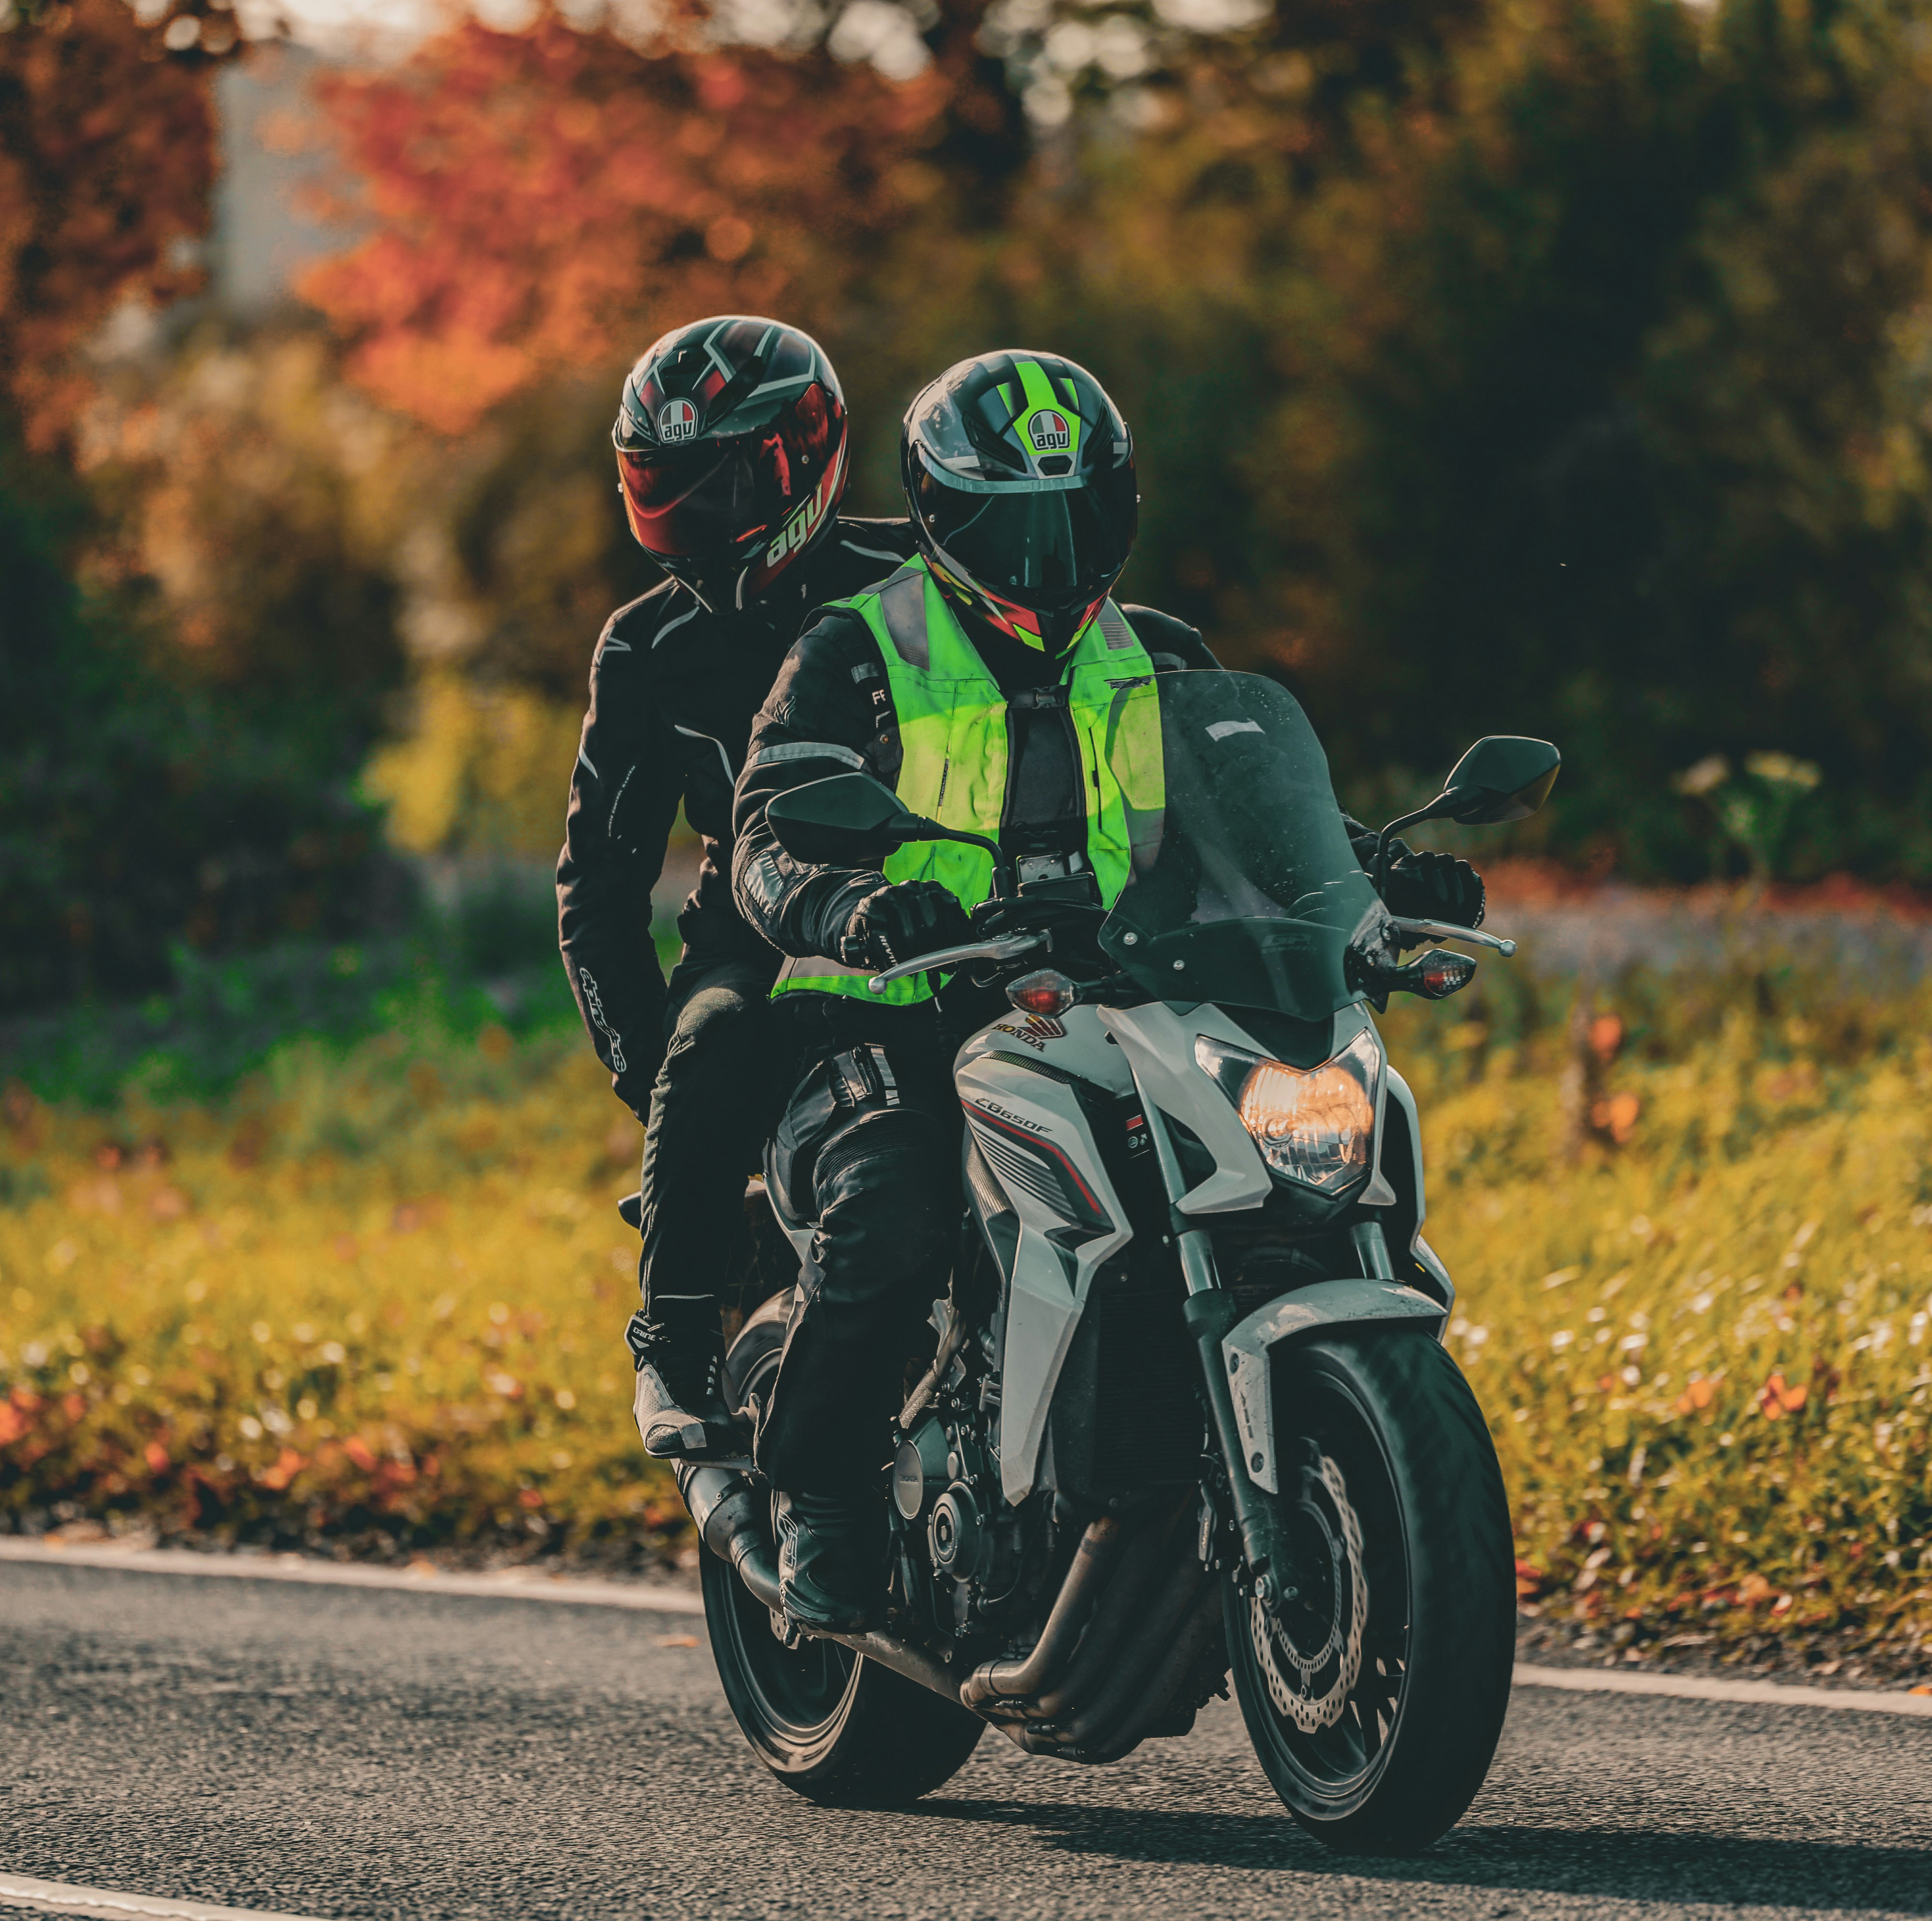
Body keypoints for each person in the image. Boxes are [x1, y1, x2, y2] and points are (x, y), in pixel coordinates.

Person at [728, 349, 1485, 1628]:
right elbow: (765, 837)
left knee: (1284, 1154)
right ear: (941, 514)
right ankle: (822, 1494)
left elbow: (1251, 816)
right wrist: (848, 906)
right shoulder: (857, 647)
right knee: (896, 1210)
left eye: (1078, 515)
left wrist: (1376, 872)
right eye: (1013, 523)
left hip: (1113, 993)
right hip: (891, 1004)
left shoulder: (1161, 653)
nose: (1049, 553)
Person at [556, 316, 920, 1464]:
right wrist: (655, 1082)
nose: (694, 520)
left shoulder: (919, 579)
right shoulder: (645, 645)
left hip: (940, 906)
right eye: (663, 488)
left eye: (716, 486)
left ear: (800, 457)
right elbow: (597, 887)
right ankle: (671, 1342)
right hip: (756, 929)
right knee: (710, 1037)